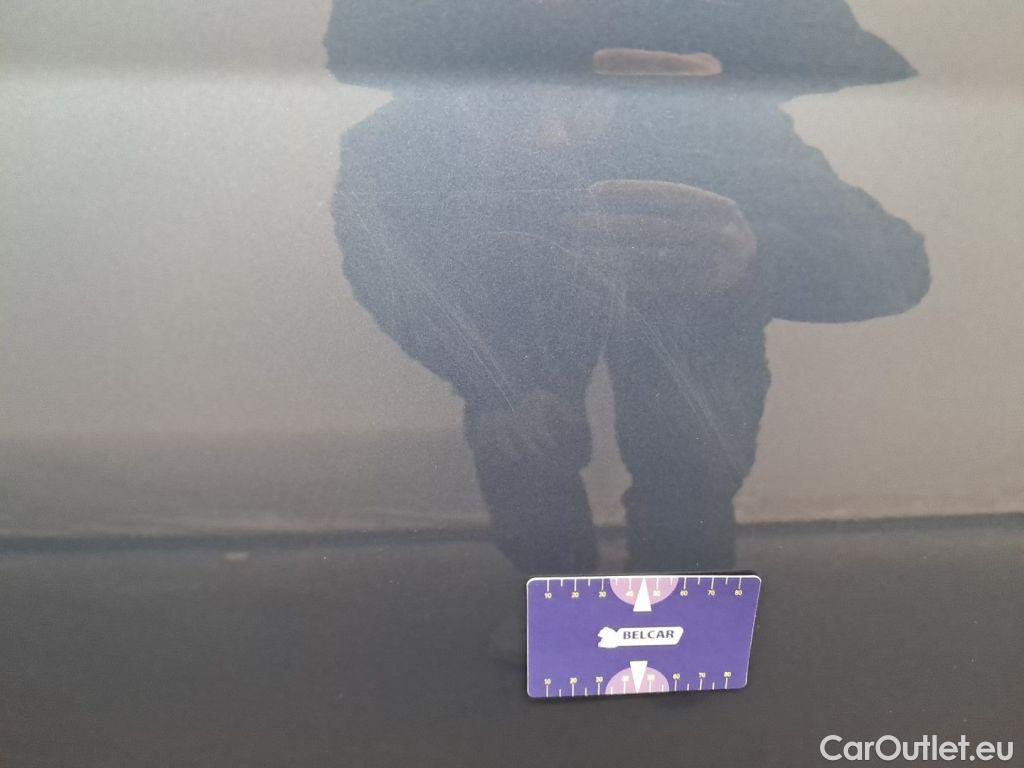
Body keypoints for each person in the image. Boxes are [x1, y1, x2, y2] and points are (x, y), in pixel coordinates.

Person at [325, 0, 930, 578]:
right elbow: (395, 276)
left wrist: (758, 255)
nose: (552, 134)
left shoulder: (721, 132)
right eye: (511, 106)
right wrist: (494, 384)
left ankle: (667, 580)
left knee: (692, 461)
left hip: (689, 376)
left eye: (578, 95)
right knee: (525, 459)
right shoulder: (395, 148)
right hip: (516, 347)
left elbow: (898, 265)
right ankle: (551, 575)